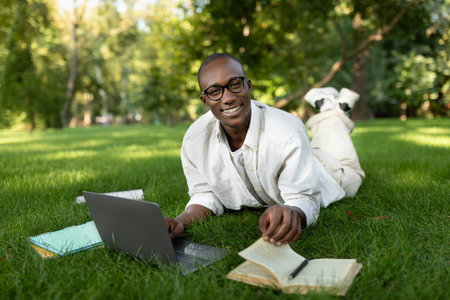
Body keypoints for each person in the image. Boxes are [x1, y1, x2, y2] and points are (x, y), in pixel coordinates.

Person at [164, 53, 365, 245]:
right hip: (298, 154)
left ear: (248, 85)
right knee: (316, 144)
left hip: (327, 171)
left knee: (350, 167)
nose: (227, 99)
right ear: (205, 100)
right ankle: (330, 107)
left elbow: (303, 197)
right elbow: (205, 194)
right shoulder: (194, 140)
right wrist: (180, 220)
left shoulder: (287, 129)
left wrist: (293, 213)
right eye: (215, 91)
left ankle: (333, 110)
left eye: (234, 84)